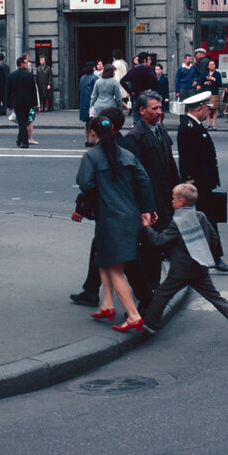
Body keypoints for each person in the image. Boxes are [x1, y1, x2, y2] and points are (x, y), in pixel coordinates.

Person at [74, 114, 157, 333]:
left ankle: (133, 315)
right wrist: (147, 209)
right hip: (130, 215)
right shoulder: (126, 155)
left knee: (115, 270)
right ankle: (107, 304)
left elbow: (85, 183)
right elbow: (144, 181)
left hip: (111, 218)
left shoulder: (92, 157)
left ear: (93, 133)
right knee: (102, 258)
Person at [141, 183, 228, 342]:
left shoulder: (177, 222)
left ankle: (150, 326)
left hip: (180, 270)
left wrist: (146, 227)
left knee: (161, 295)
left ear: (181, 202)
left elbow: (159, 241)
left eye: (173, 199)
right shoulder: (200, 216)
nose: (171, 201)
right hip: (200, 266)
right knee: (215, 297)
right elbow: (214, 239)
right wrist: (205, 254)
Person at [128, 92, 180, 292]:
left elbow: (170, 164)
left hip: (166, 198)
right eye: (154, 109)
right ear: (142, 111)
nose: (160, 112)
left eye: (160, 108)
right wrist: (145, 207)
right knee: (150, 248)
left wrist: (178, 191)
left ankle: (154, 287)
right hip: (150, 203)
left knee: (160, 245)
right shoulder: (135, 137)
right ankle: (148, 290)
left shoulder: (160, 130)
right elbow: (135, 177)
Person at [176, 91, 228, 272]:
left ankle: (211, 257)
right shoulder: (188, 128)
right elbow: (188, 159)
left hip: (203, 182)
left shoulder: (194, 125)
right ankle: (214, 258)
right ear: (198, 109)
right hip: (198, 184)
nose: (208, 112)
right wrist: (191, 184)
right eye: (205, 109)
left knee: (205, 220)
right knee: (206, 221)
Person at [6, 55, 39, 148]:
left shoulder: (11, 76)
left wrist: (9, 104)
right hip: (28, 102)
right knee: (23, 121)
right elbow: (33, 90)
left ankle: (21, 140)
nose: (28, 64)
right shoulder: (29, 75)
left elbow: (8, 91)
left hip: (17, 102)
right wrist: (34, 103)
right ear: (21, 64)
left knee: (22, 121)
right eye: (26, 63)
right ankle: (24, 141)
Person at [78, 62, 99, 147]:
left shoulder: (82, 78)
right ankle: (93, 140)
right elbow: (96, 92)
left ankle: (86, 140)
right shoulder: (95, 78)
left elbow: (79, 90)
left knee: (86, 123)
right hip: (91, 103)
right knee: (93, 123)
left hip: (83, 102)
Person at [199, 59, 221, 128]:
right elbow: (201, 82)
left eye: (213, 64)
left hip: (214, 93)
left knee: (214, 109)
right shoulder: (205, 73)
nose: (212, 66)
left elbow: (220, 84)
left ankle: (214, 124)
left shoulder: (217, 74)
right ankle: (208, 123)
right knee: (207, 109)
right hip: (206, 94)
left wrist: (214, 79)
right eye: (211, 64)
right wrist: (205, 83)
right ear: (208, 66)